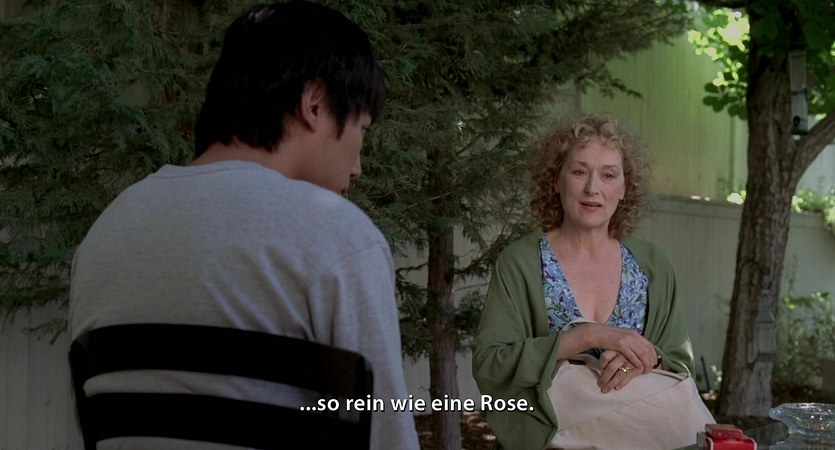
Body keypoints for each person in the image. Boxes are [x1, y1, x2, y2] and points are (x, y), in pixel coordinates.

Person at [68, 1, 420, 449]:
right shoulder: (339, 234)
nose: (357, 168)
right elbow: (388, 440)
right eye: (362, 130)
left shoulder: (105, 235)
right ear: (314, 104)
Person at [472, 112, 700, 449]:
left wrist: (641, 359)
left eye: (609, 175)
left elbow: (679, 366)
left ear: (624, 188)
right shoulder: (520, 262)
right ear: (555, 180)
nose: (593, 188)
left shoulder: (653, 264)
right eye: (579, 172)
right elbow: (490, 364)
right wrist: (590, 335)